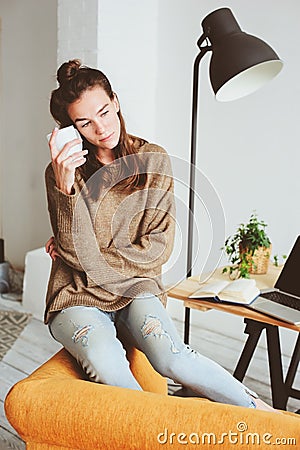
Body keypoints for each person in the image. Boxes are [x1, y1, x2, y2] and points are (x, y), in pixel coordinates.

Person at [45, 59, 277, 412]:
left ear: (116, 101)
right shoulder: (61, 173)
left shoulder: (153, 158)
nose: (101, 128)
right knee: (110, 367)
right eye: (84, 123)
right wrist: (66, 190)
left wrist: (87, 252)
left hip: (137, 287)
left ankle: (265, 415)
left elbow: (156, 248)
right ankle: (157, 434)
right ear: (70, 128)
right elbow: (75, 253)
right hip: (76, 296)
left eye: (105, 112)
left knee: (173, 359)